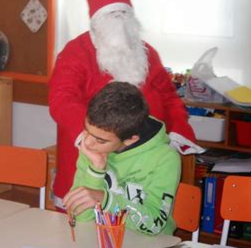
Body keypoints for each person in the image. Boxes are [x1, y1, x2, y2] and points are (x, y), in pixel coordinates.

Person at [49, 0, 200, 210]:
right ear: (96, 23)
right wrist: (92, 139)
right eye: (111, 17)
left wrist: (178, 130)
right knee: (85, 219)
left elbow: (169, 96)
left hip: (143, 158)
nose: (119, 24)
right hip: (93, 155)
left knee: (136, 215)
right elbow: (62, 98)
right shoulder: (76, 53)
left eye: (123, 16)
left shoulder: (146, 52)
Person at [63, 82, 180, 236]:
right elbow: (80, 217)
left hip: (147, 246)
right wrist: (96, 170)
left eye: (100, 140)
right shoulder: (92, 149)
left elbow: (154, 225)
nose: (88, 143)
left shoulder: (165, 159)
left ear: (130, 140)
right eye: (86, 130)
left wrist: (105, 200)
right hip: (100, 239)